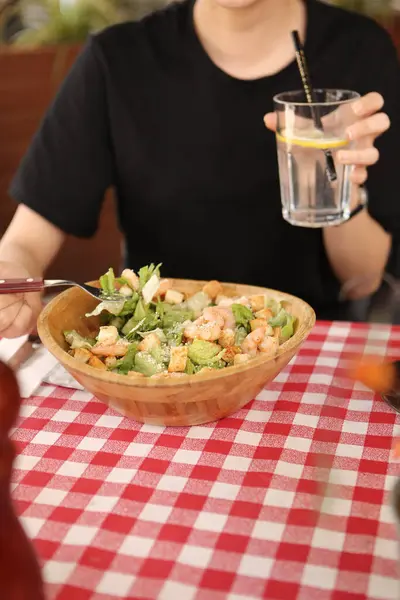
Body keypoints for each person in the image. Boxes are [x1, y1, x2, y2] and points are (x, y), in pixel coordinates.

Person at [0, 0, 398, 338]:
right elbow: (26, 242)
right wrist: (13, 273)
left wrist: (340, 184)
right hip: (156, 350)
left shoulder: (359, 50)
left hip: (310, 352)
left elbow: (361, 276)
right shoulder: (119, 59)